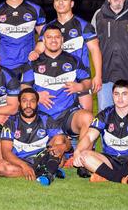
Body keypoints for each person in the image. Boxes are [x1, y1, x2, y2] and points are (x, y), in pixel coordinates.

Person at [22, 25, 93, 167]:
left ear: (62, 39)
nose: (53, 40)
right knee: (56, 161)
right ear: (43, 40)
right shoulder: (34, 62)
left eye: (56, 37)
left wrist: (80, 86)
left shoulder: (73, 60)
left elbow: (88, 81)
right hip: (44, 116)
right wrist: (36, 95)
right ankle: (64, 151)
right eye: (49, 37)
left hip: (68, 114)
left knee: (88, 117)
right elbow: (24, 88)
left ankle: (82, 159)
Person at [30, 0, 102, 110]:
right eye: (57, 0)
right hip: (57, 78)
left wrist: (98, 76)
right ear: (53, 4)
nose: (61, 3)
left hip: (80, 79)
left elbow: (95, 50)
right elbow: (40, 47)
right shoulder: (49, 27)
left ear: (72, 3)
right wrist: (35, 52)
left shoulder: (84, 26)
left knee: (86, 117)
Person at [73, 79, 128, 185]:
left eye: (124, 94)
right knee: (84, 155)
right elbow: (89, 137)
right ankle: (123, 178)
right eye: (116, 94)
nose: (120, 98)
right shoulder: (105, 114)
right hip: (110, 160)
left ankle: (106, 175)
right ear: (112, 96)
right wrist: (77, 151)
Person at [0, 88, 70, 186]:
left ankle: (47, 168)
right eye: (24, 101)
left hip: (42, 158)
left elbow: (66, 141)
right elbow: (6, 153)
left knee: (59, 139)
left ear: (37, 103)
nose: (28, 105)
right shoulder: (11, 123)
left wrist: (63, 147)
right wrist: (24, 166)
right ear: (19, 103)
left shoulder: (46, 119)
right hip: (20, 162)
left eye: (32, 101)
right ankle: (47, 170)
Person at [91, 0, 128, 111]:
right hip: (106, 76)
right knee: (105, 115)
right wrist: (97, 75)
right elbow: (92, 47)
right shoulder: (98, 16)